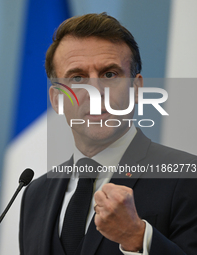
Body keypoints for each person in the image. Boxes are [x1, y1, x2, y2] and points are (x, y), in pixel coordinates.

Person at [19, 13, 197, 255]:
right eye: (77, 77)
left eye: (110, 74)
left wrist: (139, 239)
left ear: (136, 89)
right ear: (57, 99)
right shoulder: (35, 194)